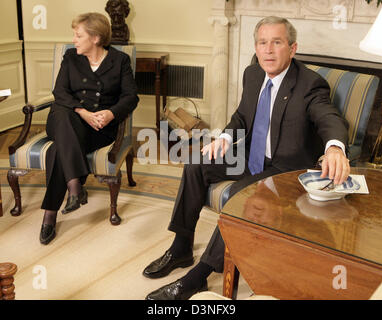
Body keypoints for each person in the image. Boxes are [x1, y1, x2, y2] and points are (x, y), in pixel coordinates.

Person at [143, 16, 350, 300]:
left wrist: (335, 147)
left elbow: (329, 117)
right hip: (251, 155)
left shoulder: (310, 84)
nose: (268, 50)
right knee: (195, 166)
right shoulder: (253, 74)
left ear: (292, 48)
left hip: (283, 168)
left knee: (240, 197)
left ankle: (198, 277)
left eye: (277, 43)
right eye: (262, 43)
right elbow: (242, 115)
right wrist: (226, 137)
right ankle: (181, 247)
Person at [39, 12, 139, 245]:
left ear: (95, 38)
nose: (73, 40)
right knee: (63, 113)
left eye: (78, 35)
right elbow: (60, 93)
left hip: (98, 127)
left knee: (57, 150)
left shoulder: (119, 61)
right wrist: (83, 112)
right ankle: (75, 186)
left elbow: (130, 97)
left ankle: (50, 214)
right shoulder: (71, 58)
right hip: (66, 118)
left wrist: (111, 113)